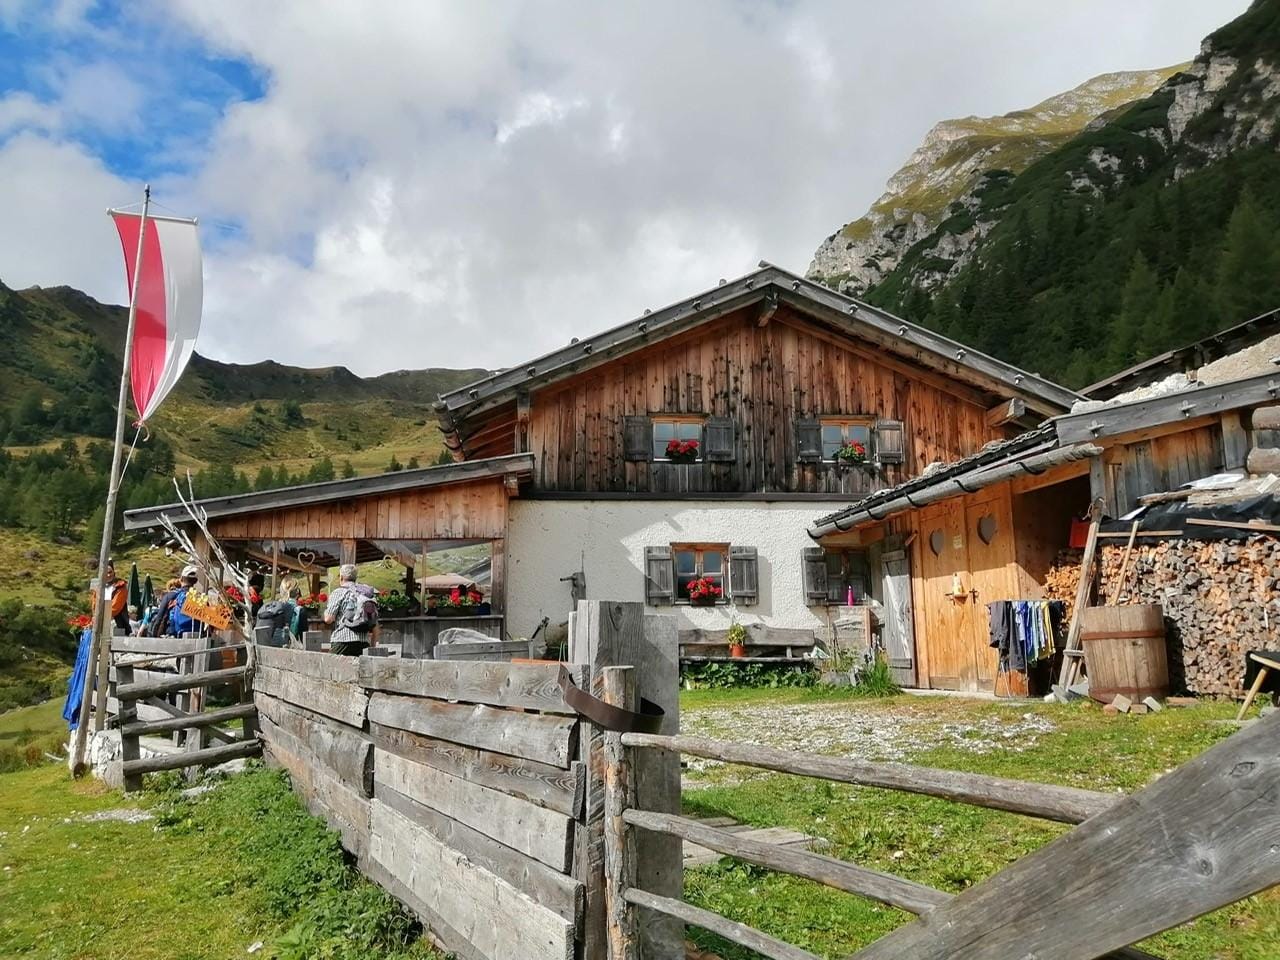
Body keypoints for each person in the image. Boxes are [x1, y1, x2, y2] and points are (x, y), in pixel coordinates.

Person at [323, 564, 376, 656]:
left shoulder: (338, 592)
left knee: (330, 668)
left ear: (341, 577)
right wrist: (372, 645)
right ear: (355, 577)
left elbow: (328, 619)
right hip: (363, 642)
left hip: (342, 640)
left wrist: (324, 613)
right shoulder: (366, 594)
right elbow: (374, 624)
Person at [91, 560, 131, 635]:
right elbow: (94, 604)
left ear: (114, 572)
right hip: (99, 623)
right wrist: (95, 617)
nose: (108, 575)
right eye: (106, 573)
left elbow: (115, 607)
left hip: (117, 624)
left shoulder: (120, 587)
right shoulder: (98, 588)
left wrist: (100, 616)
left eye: (110, 572)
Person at [167, 565, 200, 637]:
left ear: (181, 579)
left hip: (179, 634)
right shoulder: (200, 597)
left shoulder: (176, 595)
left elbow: (172, 617)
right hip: (198, 634)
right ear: (195, 581)